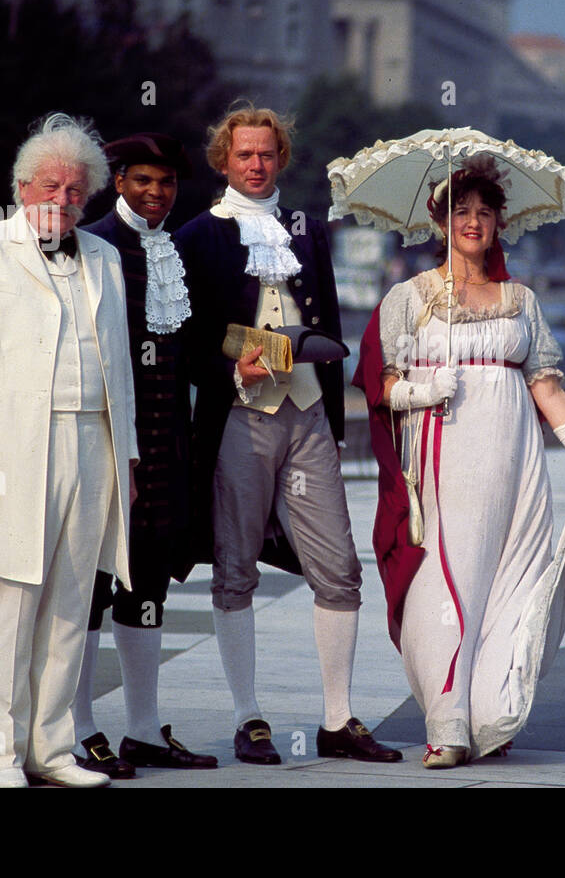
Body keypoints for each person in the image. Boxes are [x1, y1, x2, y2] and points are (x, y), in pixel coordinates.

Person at [356, 155, 565, 769]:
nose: (473, 221)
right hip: (441, 458)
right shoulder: (409, 299)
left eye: (484, 211)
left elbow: (547, 388)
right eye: (461, 211)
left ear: (500, 221)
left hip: (514, 461)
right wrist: (422, 391)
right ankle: (447, 723)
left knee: (512, 580)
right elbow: (381, 387)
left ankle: (491, 712)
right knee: (442, 582)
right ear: (439, 220)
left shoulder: (521, 301)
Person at [174, 103, 401, 765]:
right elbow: (185, 340)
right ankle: (249, 718)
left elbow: (326, 317)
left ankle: (338, 719)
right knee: (234, 568)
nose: (255, 164)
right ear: (224, 160)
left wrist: (331, 425)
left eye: (266, 154)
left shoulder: (306, 233)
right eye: (243, 154)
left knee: (339, 568)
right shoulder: (197, 236)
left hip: (304, 416)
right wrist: (233, 363)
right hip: (240, 415)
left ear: (281, 158)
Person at [0, 113, 138, 788]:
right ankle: (0, 753)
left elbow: (120, 370)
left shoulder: (104, 258)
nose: (63, 200)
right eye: (51, 186)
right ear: (22, 188)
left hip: (91, 443)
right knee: (12, 605)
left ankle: (51, 750)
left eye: (77, 190)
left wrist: (126, 457)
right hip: (14, 450)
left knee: (74, 604)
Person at [71, 132, 217, 777]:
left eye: (166, 184)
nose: (156, 194)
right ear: (119, 181)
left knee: (148, 583)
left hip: (167, 442)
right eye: (143, 181)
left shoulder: (174, 249)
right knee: (89, 587)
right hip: (108, 443)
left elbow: (191, 347)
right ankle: (77, 730)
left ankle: (140, 729)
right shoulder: (93, 245)